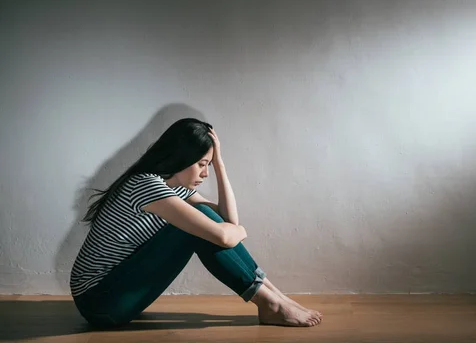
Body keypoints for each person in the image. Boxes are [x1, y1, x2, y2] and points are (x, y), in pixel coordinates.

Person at [70, 118, 322, 328]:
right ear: (180, 158)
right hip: (99, 303)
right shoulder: (146, 185)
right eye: (202, 164)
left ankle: (275, 298)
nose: (205, 173)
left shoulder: (175, 189)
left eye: (209, 165)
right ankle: (271, 303)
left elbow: (228, 220)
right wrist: (238, 231)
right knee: (197, 229)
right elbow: (225, 234)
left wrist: (220, 163)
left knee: (205, 220)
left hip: (118, 294)